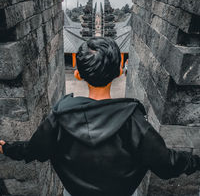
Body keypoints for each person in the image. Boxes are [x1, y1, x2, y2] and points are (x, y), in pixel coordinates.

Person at [0, 37, 200, 196]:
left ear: (78, 74)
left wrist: (7, 147)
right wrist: (195, 161)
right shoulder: (136, 124)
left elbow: (34, 150)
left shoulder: (58, 119)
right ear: (120, 70)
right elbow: (167, 164)